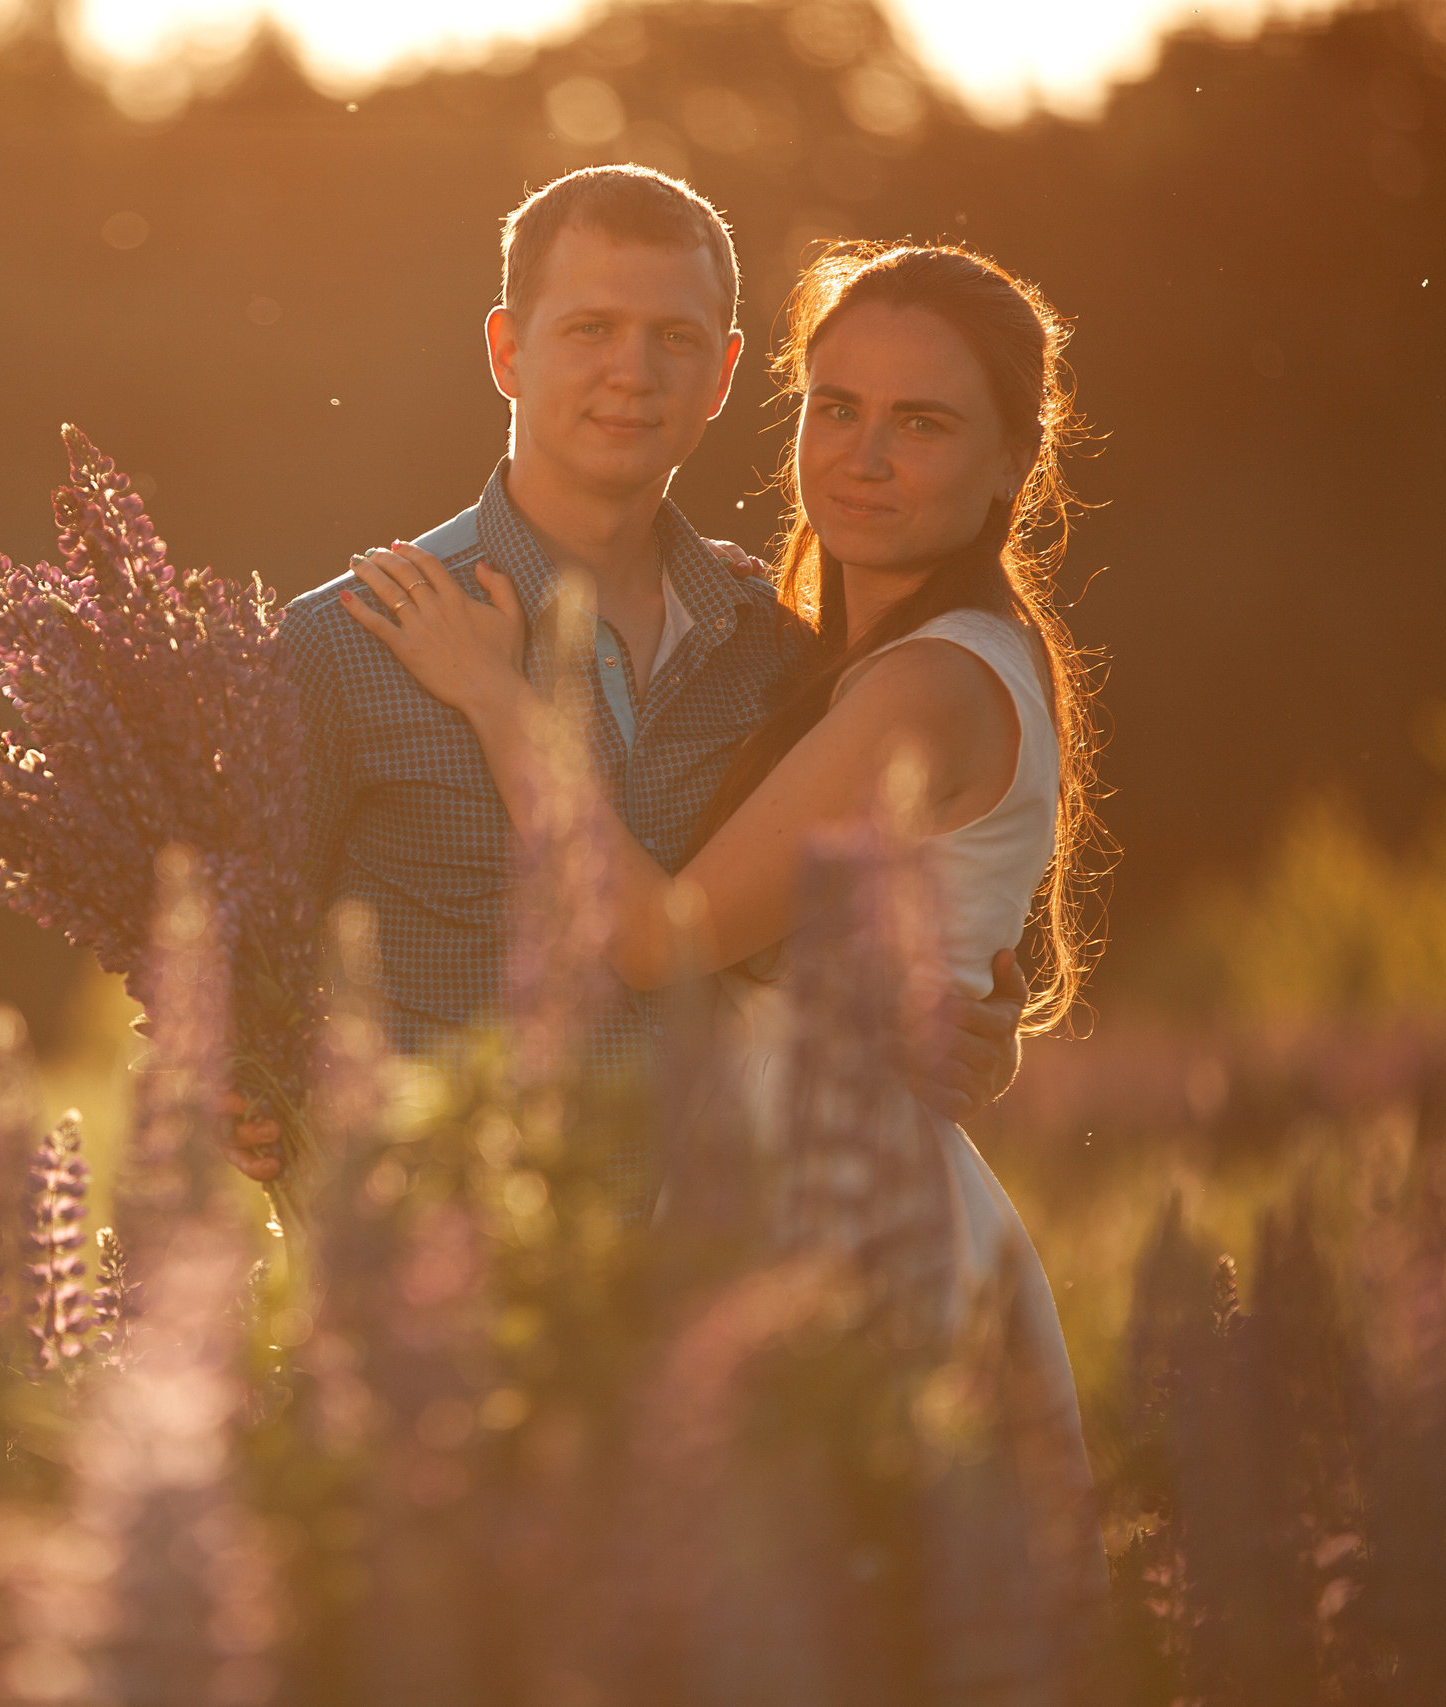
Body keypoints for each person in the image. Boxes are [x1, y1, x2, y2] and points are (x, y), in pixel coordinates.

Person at [343, 238, 1109, 1630]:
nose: (863, 456)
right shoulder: (813, 652)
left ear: (1011, 465)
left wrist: (493, 691)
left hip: (847, 1236)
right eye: (838, 408)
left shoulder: (929, 684)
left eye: (923, 422)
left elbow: (658, 936)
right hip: (768, 1204)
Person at [252, 166, 1025, 1200]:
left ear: (723, 374)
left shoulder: (782, 664)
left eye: (675, 338)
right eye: (589, 329)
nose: (633, 372)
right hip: (441, 1297)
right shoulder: (345, 644)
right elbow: (230, 944)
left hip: (716, 1299)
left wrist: (964, 1030)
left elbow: (842, 966)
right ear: (505, 351)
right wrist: (235, 1086)